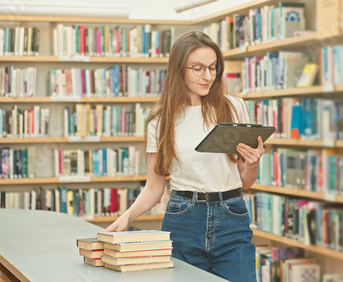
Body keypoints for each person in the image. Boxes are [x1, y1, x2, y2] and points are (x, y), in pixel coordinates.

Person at [105, 30, 263, 282]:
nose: (208, 76)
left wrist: (254, 164)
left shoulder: (234, 106)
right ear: (179, 69)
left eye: (213, 68)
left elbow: (245, 181)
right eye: (198, 68)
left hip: (232, 217)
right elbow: (155, 188)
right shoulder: (161, 119)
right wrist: (126, 217)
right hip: (183, 219)